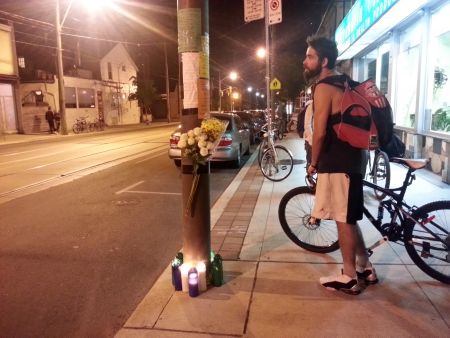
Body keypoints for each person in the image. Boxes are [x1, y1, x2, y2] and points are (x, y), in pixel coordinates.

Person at [304, 35, 377, 295]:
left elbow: (321, 132)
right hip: (354, 159)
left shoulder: (323, 87)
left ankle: (349, 276)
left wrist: (313, 162)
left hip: (338, 161)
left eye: (310, 56)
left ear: (323, 61)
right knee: (348, 216)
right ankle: (365, 266)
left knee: (342, 219)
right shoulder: (345, 81)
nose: (305, 60)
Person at [303, 100, 313, 166]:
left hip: (320, 142)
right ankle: (309, 175)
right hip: (310, 141)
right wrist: (312, 141)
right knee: (310, 164)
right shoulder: (311, 106)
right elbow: (307, 125)